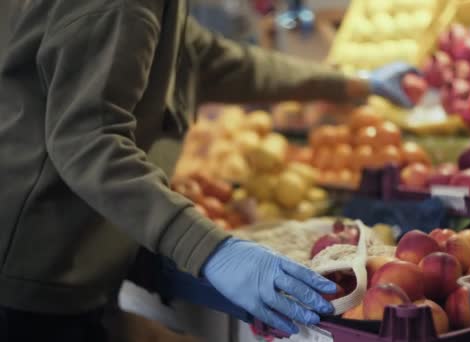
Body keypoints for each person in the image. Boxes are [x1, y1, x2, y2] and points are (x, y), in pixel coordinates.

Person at [0, 1, 413, 340]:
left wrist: (354, 84)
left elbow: (219, 61)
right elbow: (87, 141)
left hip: (72, 261)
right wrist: (211, 250)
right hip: (33, 277)